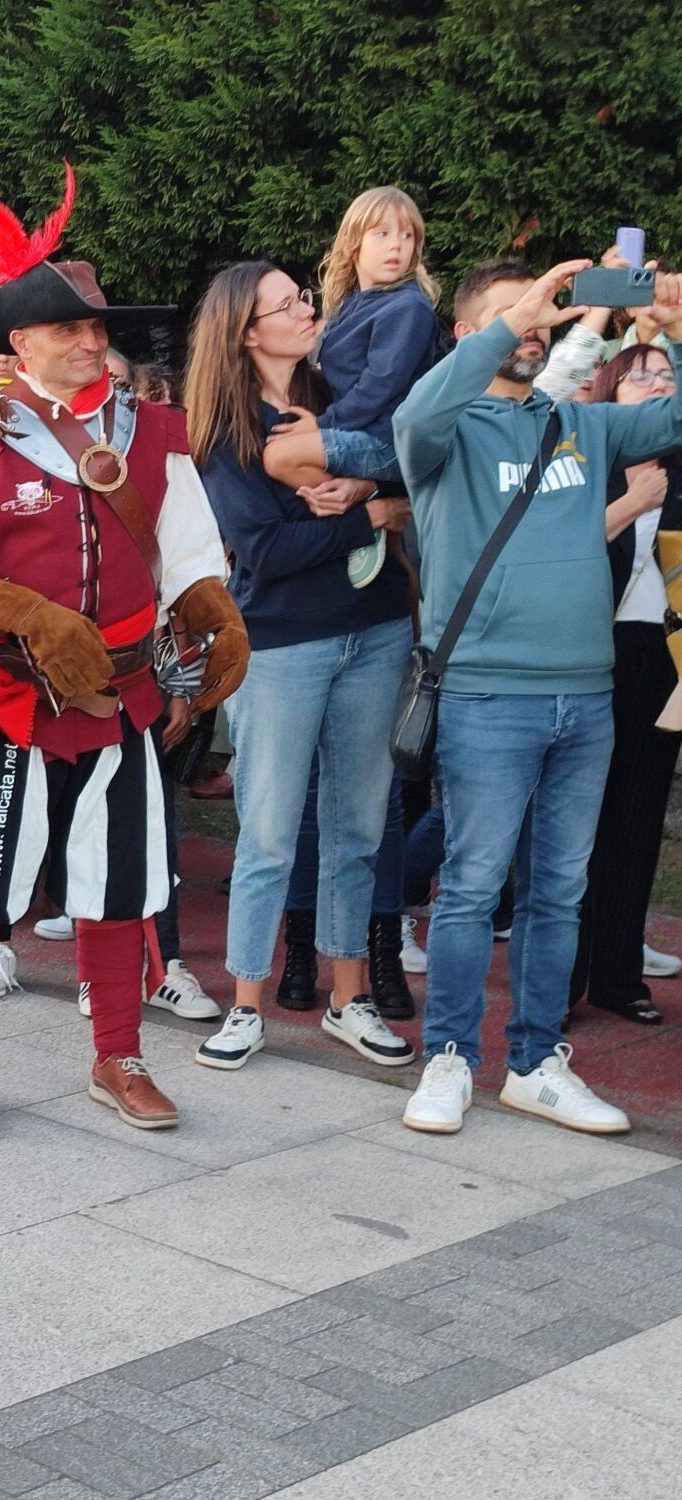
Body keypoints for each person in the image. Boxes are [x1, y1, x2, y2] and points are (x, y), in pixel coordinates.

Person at [0, 172, 247, 1134]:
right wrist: (29, 616)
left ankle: (118, 1058)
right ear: (18, 342)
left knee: (120, 882)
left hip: (124, 702)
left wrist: (215, 610)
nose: (90, 341)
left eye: (96, 327)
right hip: (6, 699)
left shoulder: (155, 432)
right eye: (66, 328)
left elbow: (188, 553)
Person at [398, 258, 682, 1137]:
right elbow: (414, 413)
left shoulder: (582, 425)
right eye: (511, 316)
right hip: (488, 698)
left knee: (559, 890)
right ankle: (448, 1058)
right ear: (468, 332)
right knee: (473, 887)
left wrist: (669, 322)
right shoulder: (443, 435)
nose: (531, 327)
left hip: (585, 698)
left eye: (540, 317)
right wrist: (512, 313)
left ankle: (531, 1063)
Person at [182, 261, 419, 1073]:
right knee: (271, 833)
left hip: (378, 629)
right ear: (248, 331)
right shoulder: (223, 428)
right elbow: (264, 551)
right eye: (288, 305)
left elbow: (409, 478)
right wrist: (368, 518)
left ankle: (349, 999)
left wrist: (379, 498)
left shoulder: (348, 396)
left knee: (359, 825)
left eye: (304, 298)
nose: (309, 311)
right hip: (283, 642)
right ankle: (246, 1004)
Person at [567, 343, 682, 1026]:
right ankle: (560, 981)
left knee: (638, 820)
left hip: (658, 655)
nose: (655, 386)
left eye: (666, 377)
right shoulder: (585, 457)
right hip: (583, 651)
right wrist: (633, 501)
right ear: (611, 387)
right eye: (640, 376)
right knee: (572, 826)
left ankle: (618, 974)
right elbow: (553, 543)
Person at [262, 188, 442, 593]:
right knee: (404, 572)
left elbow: (380, 386)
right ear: (353, 242)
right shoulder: (351, 304)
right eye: (382, 233)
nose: (396, 244)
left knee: (279, 456)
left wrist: (321, 427)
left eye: (407, 235)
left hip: (389, 440)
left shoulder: (408, 307)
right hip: (358, 429)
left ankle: (362, 519)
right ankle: (367, 510)